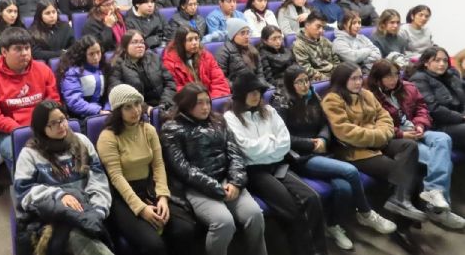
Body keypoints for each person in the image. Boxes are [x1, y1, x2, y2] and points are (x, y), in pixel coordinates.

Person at [272, 65, 397, 250]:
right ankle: (365, 212)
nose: (305, 85)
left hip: (321, 150)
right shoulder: (282, 103)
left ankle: (332, 225)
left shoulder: (313, 97)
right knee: (350, 170)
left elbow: (325, 124)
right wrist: (311, 144)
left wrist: (322, 139)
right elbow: (283, 137)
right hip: (299, 157)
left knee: (344, 188)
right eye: (299, 82)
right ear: (290, 84)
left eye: (307, 80)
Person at [322, 62, 428, 252]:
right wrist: (378, 134)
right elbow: (346, 132)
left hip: (378, 142)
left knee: (409, 146)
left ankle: (400, 201)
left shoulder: (367, 94)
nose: (358, 82)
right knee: (412, 171)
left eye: (359, 77)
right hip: (355, 152)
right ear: (341, 80)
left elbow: (385, 117)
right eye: (352, 78)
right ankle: (402, 227)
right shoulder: (332, 100)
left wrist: (379, 134)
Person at [225, 71, 327, 255]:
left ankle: (319, 251)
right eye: (251, 92)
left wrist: (266, 146)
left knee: (313, 198)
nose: (256, 95)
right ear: (241, 94)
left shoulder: (269, 111)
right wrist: (272, 141)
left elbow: (285, 141)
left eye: (258, 91)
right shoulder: (231, 117)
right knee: (290, 207)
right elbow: (247, 150)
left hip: (278, 164)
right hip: (254, 172)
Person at [161, 83, 267, 255]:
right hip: (197, 187)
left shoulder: (218, 120)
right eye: (199, 103)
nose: (205, 107)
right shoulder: (172, 129)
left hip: (227, 181)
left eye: (207, 102)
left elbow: (235, 154)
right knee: (223, 222)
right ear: (187, 104)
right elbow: (183, 169)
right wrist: (216, 188)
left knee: (254, 214)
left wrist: (235, 182)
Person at [97, 85, 196, 255]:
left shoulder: (148, 129)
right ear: (117, 110)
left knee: (186, 229)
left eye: (137, 104)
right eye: (128, 107)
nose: (135, 110)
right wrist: (141, 209)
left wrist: (163, 197)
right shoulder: (108, 137)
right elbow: (116, 177)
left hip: (150, 188)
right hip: (123, 196)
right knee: (153, 245)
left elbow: (158, 165)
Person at [368, 59, 465, 229]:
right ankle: (440, 211)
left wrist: (420, 124)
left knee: (443, 139)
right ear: (377, 78)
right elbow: (374, 125)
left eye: (396, 74)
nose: (394, 79)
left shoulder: (408, 87)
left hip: (417, 130)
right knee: (443, 161)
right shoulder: (370, 96)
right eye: (388, 76)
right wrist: (402, 133)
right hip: (399, 139)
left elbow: (422, 108)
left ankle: (433, 192)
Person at [13, 100, 113, 255]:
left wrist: (97, 211)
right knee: (80, 239)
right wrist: (59, 195)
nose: (61, 126)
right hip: (54, 217)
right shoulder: (30, 154)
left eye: (62, 120)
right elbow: (24, 192)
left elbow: (98, 180)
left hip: (87, 211)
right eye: (52, 123)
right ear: (41, 128)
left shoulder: (82, 142)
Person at [0, 27, 61, 163]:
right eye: (18, 49)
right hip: (11, 132)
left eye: (27, 48)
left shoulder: (43, 70)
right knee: (25, 158)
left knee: (71, 147)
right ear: (4, 52)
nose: (24, 53)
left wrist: (45, 125)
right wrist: (19, 130)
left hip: (45, 127)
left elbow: (53, 101)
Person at [409, 46, 465, 150]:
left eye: (445, 60)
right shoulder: (419, 80)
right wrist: (461, 117)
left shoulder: (451, 75)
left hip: (459, 120)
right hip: (439, 125)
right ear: (426, 63)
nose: (442, 64)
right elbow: (433, 109)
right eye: (437, 60)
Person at [109, 30, 177, 113]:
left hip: (163, 105)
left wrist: (165, 103)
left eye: (142, 42)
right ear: (125, 46)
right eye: (134, 42)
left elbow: (170, 82)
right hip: (136, 110)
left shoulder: (154, 58)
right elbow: (120, 94)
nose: (140, 46)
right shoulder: (117, 65)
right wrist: (146, 108)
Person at [162, 27, 230, 98]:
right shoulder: (170, 62)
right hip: (188, 102)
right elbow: (176, 89)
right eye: (190, 40)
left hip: (210, 98)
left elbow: (219, 81)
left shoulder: (206, 56)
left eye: (196, 38)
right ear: (181, 42)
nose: (195, 43)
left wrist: (213, 100)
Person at [57, 35, 109, 119]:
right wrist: (98, 111)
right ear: (83, 55)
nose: (96, 57)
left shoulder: (104, 67)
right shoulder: (72, 72)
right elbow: (74, 101)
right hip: (82, 117)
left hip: (103, 112)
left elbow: (110, 93)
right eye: (91, 54)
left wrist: (108, 109)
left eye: (98, 52)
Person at [292, 11, 340, 81]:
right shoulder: (299, 45)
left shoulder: (325, 41)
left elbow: (336, 60)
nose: (321, 30)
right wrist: (328, 79)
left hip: (334, 76)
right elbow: (306, 69)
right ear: (307, 25)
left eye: (323, 27)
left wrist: (338, 74)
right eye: (318, 26)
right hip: (318, 80)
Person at [216, 18, 266, 83]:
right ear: (232, 35)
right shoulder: (223, 51)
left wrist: (260, 85)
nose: (247, 36)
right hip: (236, 89)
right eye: (242, 33)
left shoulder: (252, 48)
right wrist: (237, 88)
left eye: (248, 33)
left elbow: (260, 73)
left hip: (254, 86)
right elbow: (221, 78)